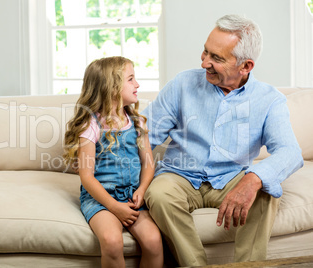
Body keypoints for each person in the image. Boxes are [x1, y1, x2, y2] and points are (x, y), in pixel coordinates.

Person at [141, 14, 303, 267]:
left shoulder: (270, 100)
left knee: (266, 193)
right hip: (179, 174)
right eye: (205, 52)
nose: (205, 62)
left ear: (246, 66)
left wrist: (253, 179)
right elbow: (144, 135)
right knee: (159, 194)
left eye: (216, 58)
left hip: (231, 177)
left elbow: (290, 152)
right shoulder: (183, 83)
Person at [64, 56, 164, 268]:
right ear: (111, 87)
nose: (137, 84)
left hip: (132, 195)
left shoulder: (137, 123)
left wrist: (143, 189)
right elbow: (86, 176)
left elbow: (148, 164)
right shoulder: (90, 126)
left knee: (154, 242)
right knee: (111, 241)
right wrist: (114, 207)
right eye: (131, 79)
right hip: (101, 199)